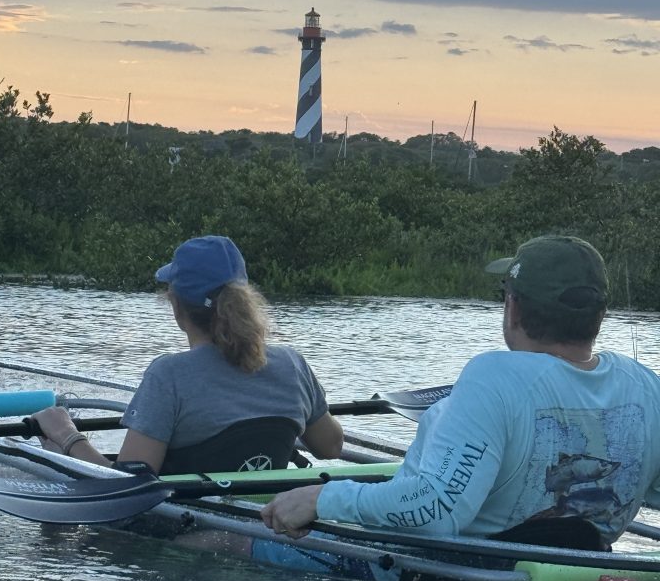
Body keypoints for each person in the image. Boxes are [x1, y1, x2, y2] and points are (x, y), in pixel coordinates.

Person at [261, 234, 660, 549]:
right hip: (579, 568)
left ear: (513, 308)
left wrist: (322, 499)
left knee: (226, 540)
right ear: (600, 315)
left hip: (462, 573)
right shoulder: (646, 385)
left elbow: (432, 510)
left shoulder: (493, 376)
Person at [32, 235, 343, 473]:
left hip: (191, 529)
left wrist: (67, 435)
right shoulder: (292, 364)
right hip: (267, 519)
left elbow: (128, 483)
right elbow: (331, 447)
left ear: (176, 305)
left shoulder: (169, 376)